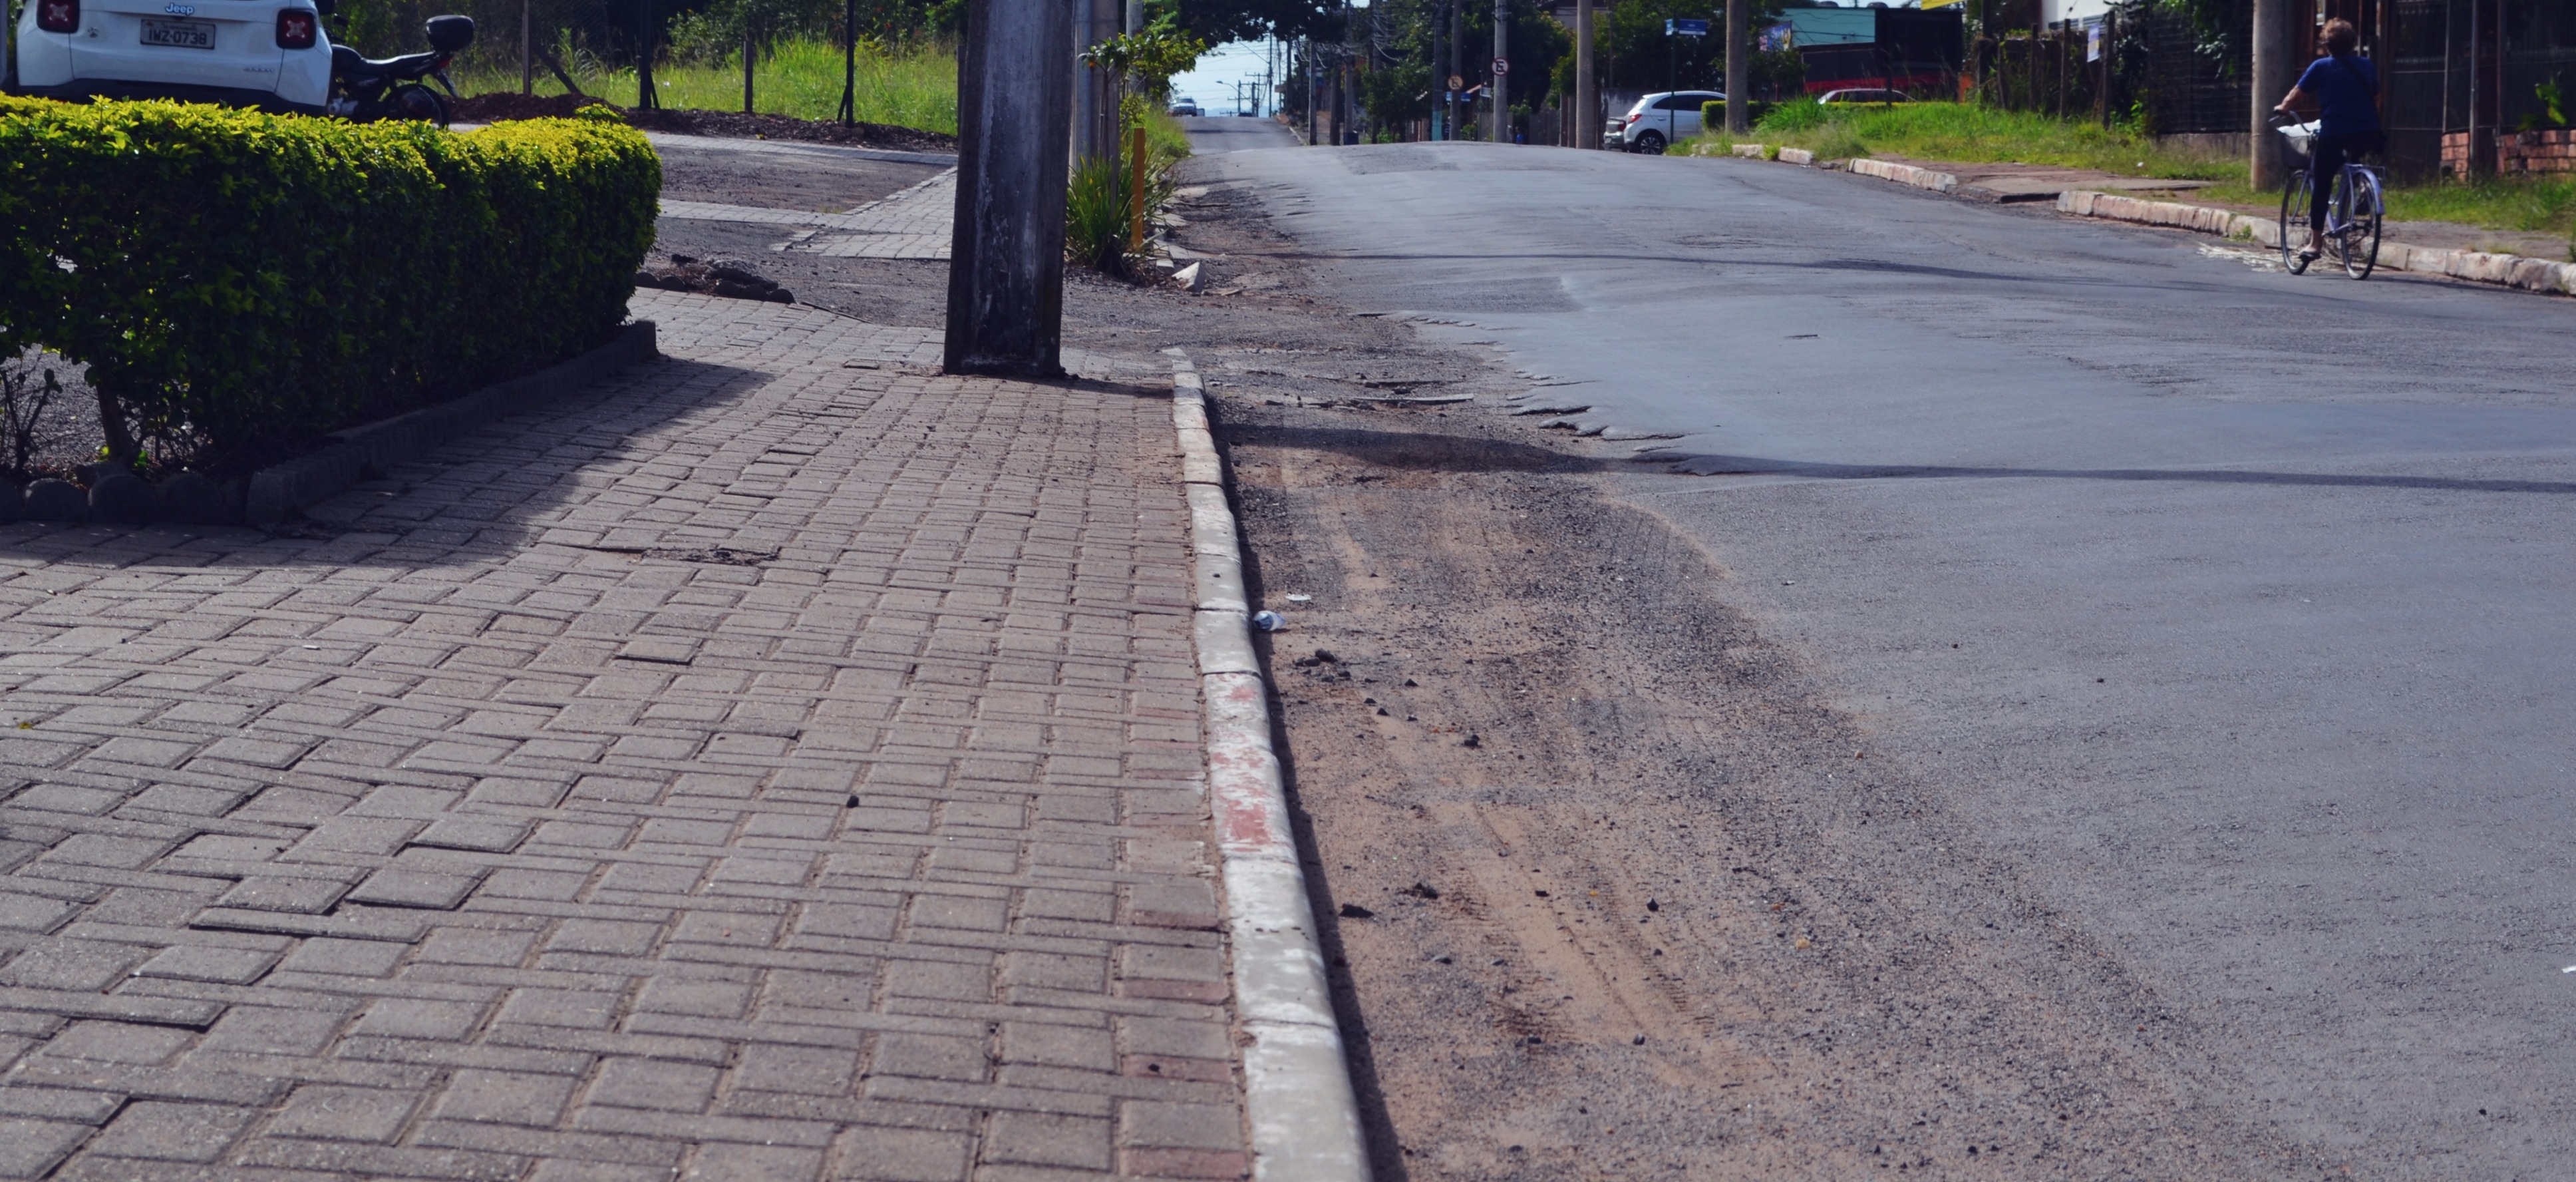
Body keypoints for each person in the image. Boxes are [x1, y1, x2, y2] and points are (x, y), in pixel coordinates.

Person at [2273, 19, 2382, 260]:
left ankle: (2315, 243)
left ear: (2327, 45)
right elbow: (2376, 98)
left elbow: (2296, 95)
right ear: (2353, 44)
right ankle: (2359, 187)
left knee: (2322, 181)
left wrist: (2283, 107)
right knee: (2353, 162)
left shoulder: (2321, 67)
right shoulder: (2366, 66)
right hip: (2368, 132)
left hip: (2335, 133)